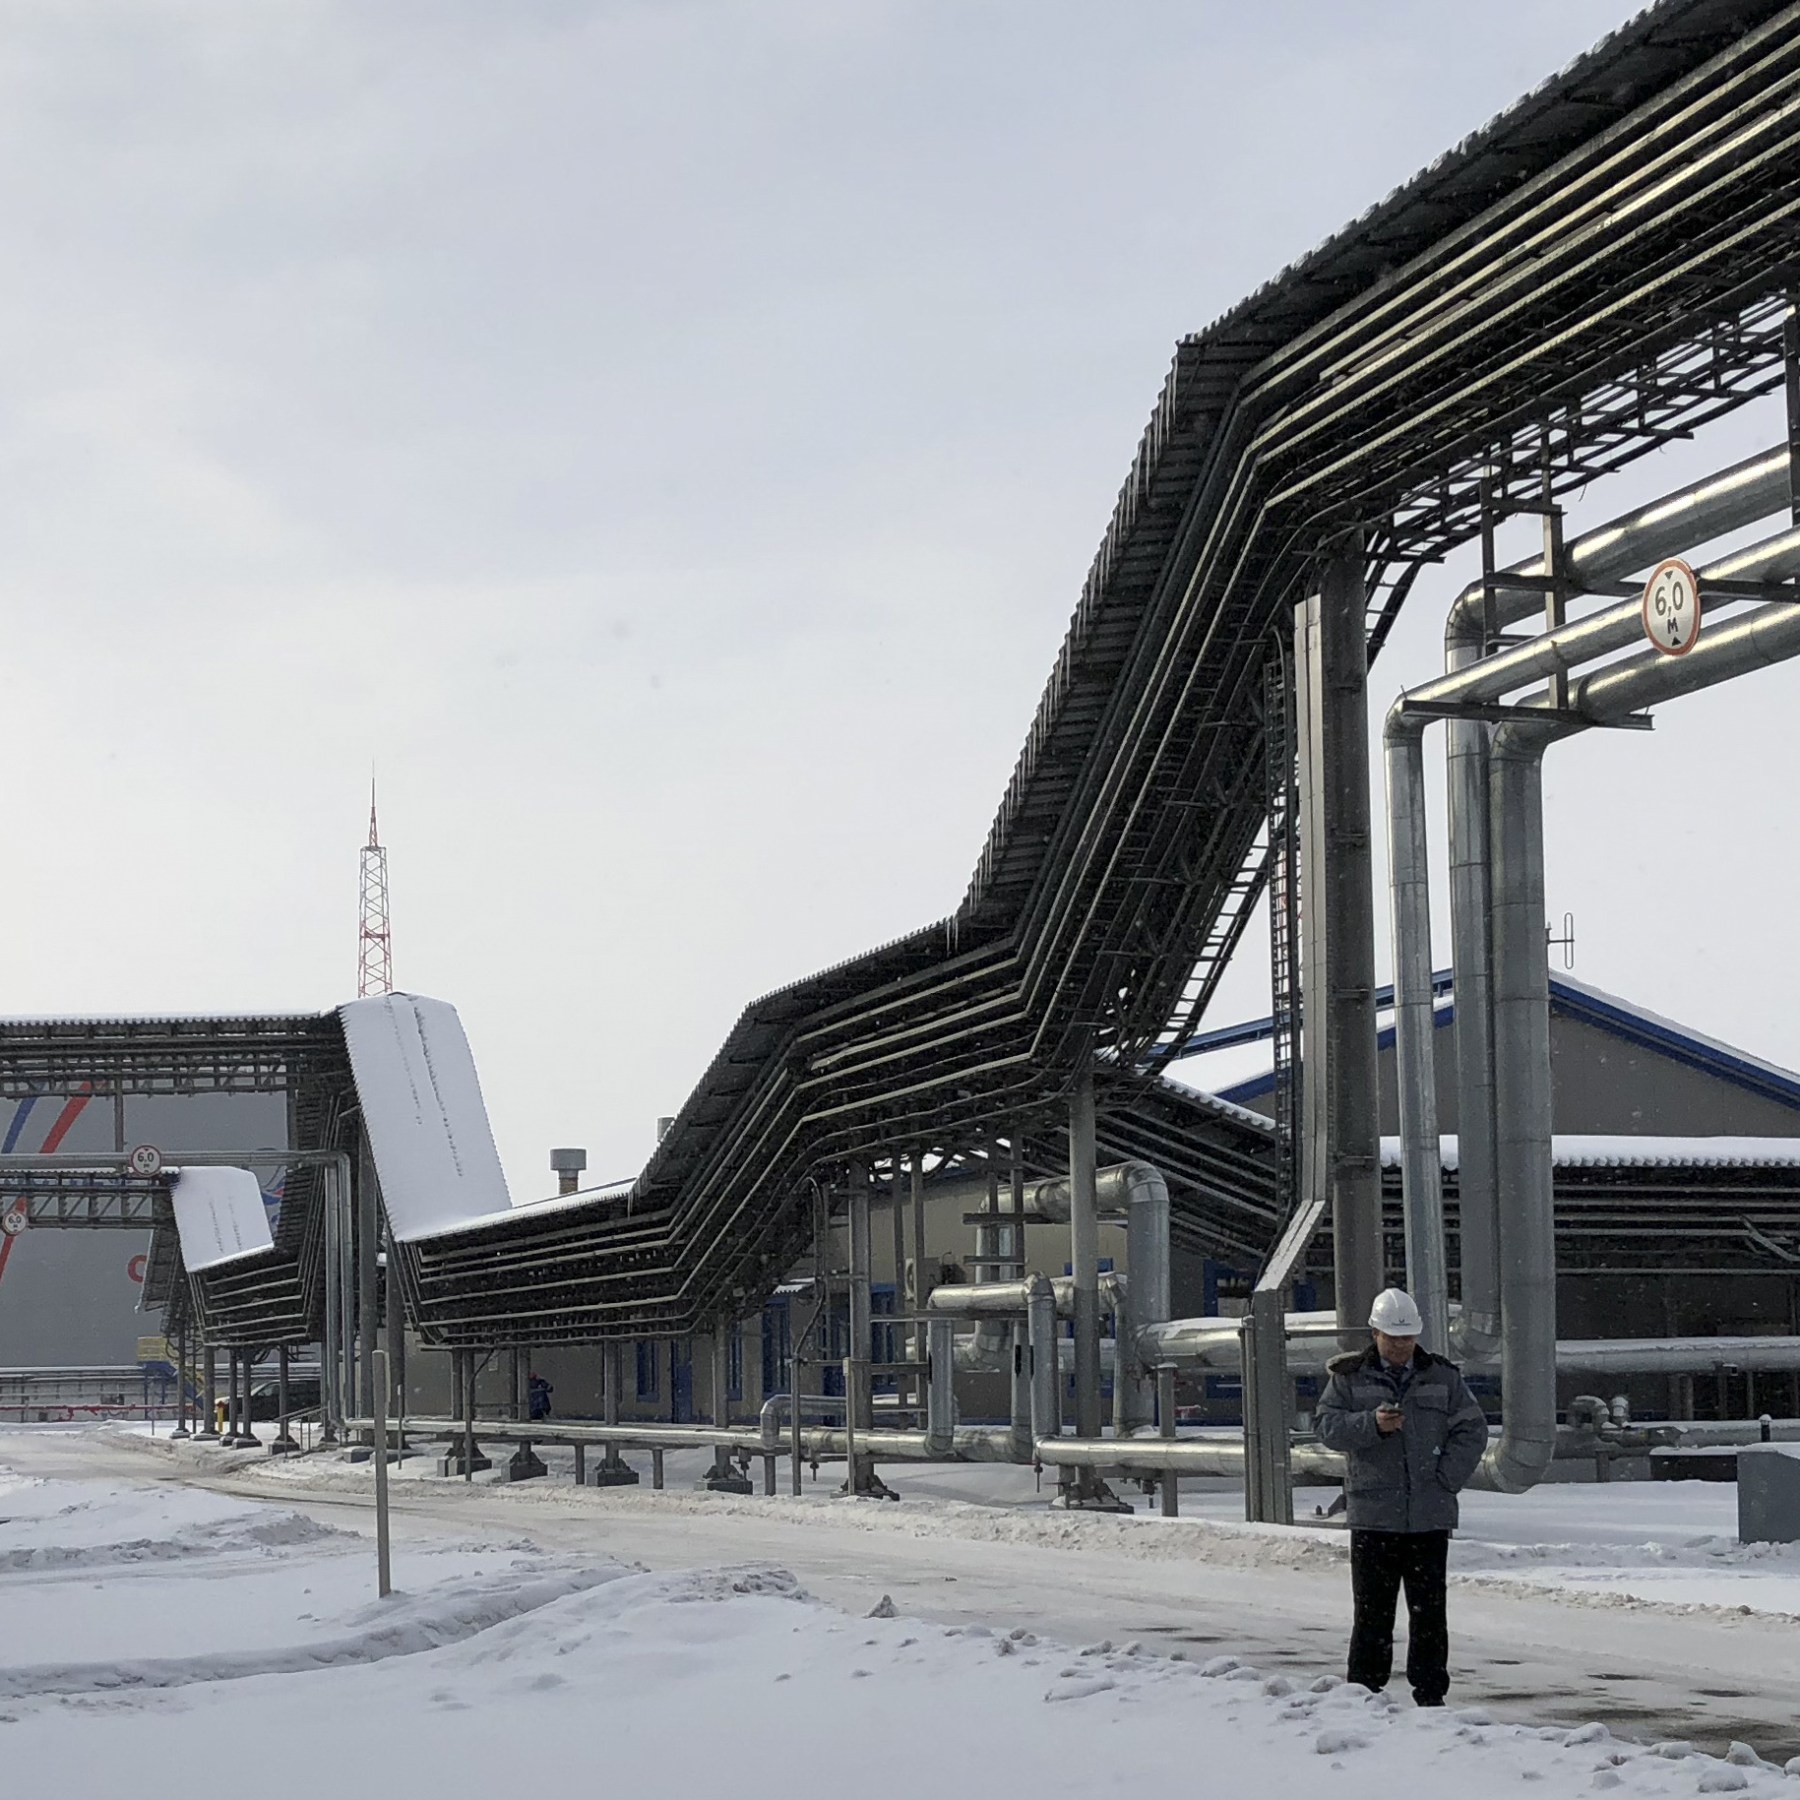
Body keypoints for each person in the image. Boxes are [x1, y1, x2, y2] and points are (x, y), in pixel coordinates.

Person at [1315, 1286, 1488, 1708]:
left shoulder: (1442, 1377)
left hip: (1428, 1514)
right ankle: (1365, 1690)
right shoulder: (1349, 1378)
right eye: (1392, 1338)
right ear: (1375, 1333)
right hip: (1374, 1514)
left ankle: (1430, 1692)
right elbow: (1326, 1427)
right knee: (1372, 1610)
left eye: (1407, 1338)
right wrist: (1370, 1425)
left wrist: (1445, 1479)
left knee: (1429, 1611)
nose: (1400, 1346)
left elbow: (1472, 1429)